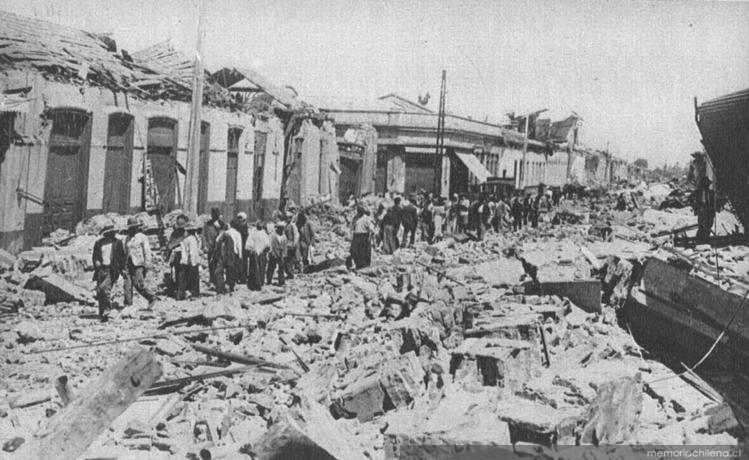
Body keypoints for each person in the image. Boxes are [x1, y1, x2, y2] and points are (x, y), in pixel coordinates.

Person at [92, 225, 127, 321]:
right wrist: (96, 262)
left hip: (112, 269)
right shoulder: (99, 243)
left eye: (113, 232)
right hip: (101, 269)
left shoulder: (117, 243)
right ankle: (102, 313)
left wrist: (122, 269)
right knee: (100, 290)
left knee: (104, 288)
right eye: (109, 233)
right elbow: (95, 256)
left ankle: (107, 309)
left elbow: (121, 257)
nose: (111, 234)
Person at [123, 217, 157, 308]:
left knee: (138, 284)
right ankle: (128, 304)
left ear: (137, 227)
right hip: (128, 265)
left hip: (139, 264)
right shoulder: (127, 238)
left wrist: (147, 265)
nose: (132, 229)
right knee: (127, 285)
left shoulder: (142, 237)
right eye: (130, 227)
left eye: (134, 227)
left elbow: (147, 251)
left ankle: (151, 297)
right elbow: (126, 252)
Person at [176, 221, 201, 300]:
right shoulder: (192, 239)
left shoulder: (186, 239)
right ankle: (194, 294)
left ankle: (181, 295)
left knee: (183, 280)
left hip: (185, 261)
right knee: (194, 279)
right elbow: (192, 252)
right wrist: (193, 263)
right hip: (190, 262)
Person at [165, 214, 188, 297]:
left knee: (179, 273)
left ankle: (179, 291)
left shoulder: (176, 233)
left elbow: (170, 245)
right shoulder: (183, 234)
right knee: (181, 274)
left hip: (179, 255)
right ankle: (180, 292)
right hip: (180, 255)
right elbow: (170, 245)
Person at [348, 206, 376, 270]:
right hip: (356, 235)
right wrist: (350, 234)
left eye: (360, 212)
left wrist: (371, 235)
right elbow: (352, 227)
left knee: (363, 252)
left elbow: (371, 228)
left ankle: (363, 266)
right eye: (358, 211)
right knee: (353, 250)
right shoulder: (355, 218)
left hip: (364, 235)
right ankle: (358, 263)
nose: (359, 213)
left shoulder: (366, 218)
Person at [246, 221, 270, 290]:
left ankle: (259, 283)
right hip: (256, 253)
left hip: (260, 253)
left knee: (260, 268)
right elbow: (249, 244)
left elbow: (267, 244)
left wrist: (264, 250)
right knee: (257, 268)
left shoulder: (263, 234)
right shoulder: (254, 233)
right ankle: (257, 283)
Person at [202, 208, 224, 285]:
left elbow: (223, 235)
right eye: (213, 214)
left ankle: (219, 282)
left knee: (219, 265)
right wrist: (204, 245)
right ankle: (212, 280)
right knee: (211, 264)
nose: (214, 216)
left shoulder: (222, 224)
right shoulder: (208, 224)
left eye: (216, 215)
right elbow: (203, 235)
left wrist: (219, 228)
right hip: (210, 247)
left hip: (219, 248)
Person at [692, 176, 716, 241]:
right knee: (701, 225)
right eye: (704, 183)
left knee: (709, 225)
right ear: (702, 184)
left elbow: (715, 202)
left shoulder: (712, 193)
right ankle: (700, 239)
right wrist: (695, 206)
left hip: (709, 211)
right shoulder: (698, 192)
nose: (706, 185)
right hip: (701, 210)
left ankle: (706, 239)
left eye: (707, 184)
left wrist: (714, 209)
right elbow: (691, 199)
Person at [267, 221, 288, 286]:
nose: (282, 229)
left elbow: (285, 246)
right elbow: (270, 244)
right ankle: (269, 280)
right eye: (280, 228)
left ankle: (281, 281)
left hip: (281, 253)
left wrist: (284, 254)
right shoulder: (272, 235)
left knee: (281, 267)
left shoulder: (284, 236)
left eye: (283, 228)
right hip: (274, 252)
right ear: (277, 228)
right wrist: (271, 252)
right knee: (271, 267)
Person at [284, 210, 301, 278]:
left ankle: (291, 274)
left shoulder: (292, 225)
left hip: (291, 244)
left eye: (288, 218)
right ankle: (290, 273)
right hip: (287, 244)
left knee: (290, 260)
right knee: (288, 260)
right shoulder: (286, 225)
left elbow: (296, 235)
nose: (287, 219)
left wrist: (294, 244)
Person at [235, 212, 249, 284]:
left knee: (242, 263)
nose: (239, 219)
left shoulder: (241, 226)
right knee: (242, 263)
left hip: (242, 246)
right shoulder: (244, 226)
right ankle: (242, 277)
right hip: (242, 246)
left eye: (240, 218)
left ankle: (241, 277)